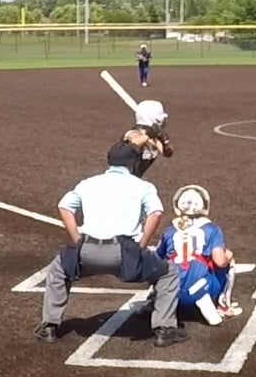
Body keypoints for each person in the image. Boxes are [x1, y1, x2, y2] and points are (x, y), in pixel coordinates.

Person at [35, 141, 186, 347]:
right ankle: (164, 329)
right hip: (124, 254)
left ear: (109, 161)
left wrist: (76, 240)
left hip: (87, 251)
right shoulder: (143, 186)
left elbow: (64, 207)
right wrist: (142, 245)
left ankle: (49, 326)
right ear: (133, 163)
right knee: (168, 273)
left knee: (58, 269)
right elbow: (156, 213)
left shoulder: (87, 183)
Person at [156, 184, 241, 326]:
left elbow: (156, 260)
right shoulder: (211, 229)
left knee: (158, 267)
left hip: (170, 290)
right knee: (226, 259)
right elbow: (220, 262)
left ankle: (154, 299)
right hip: (199, 290)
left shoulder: (169, 231)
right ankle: (223, 304)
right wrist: (228, 256)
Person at [123, 99, 173, 178]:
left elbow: (167, 153)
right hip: (120, 178)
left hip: (134, 178)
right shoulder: (134, 133)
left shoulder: (155, 139)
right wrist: (148, 135)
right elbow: (130, 144)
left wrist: (165, 141)